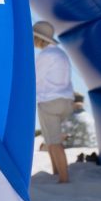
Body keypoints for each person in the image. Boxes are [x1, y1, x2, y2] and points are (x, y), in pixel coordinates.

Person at [33, 20, 75, 183]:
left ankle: (63, 178)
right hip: (65, 100)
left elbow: (35, 78)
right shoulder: (61, 53)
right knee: (52, 139)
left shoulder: (45, 55)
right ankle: (57, 173)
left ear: (39, 38)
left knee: (53, 142)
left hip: (49, 101)